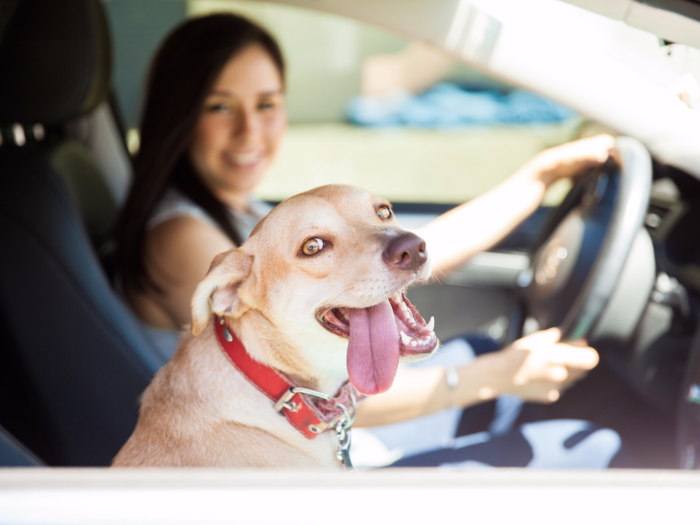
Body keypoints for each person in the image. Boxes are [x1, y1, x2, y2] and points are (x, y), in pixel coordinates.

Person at [115, 13, 623, 468]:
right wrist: (497, 375)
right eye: (221, 107)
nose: (251, 130)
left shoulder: (244, 211)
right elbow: (322, 391)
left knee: (484, 353)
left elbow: (402, 251)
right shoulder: (184, 236)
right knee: (586, 444)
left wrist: (537, 179)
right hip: (294, 435)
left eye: (267, 103)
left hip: (317, 425)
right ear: (179, 114)